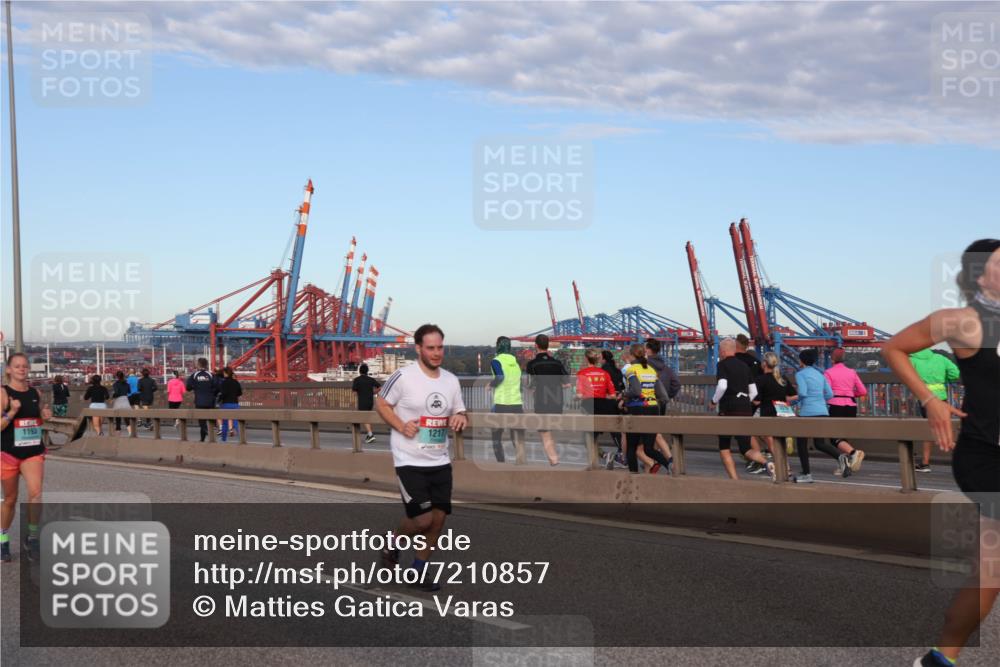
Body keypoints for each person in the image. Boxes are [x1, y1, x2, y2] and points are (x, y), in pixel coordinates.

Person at [880, 240, 1000, 667]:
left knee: (990, 571)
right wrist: (931, 401)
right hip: (987, 457)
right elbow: (893, 347)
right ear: (978, 276)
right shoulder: (960, 322)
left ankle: (939, 659)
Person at [375, 324, 468, 591]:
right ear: (418, 348)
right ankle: (392, 542)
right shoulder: (403, 376)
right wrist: (400, 425)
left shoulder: (450, 380)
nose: (436, 353)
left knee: (438, 522)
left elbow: (460, 411)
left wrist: (461, 417)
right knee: (423, 520)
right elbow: (381, 403)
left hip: (440, 460)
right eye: (430, 348)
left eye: (440, 347)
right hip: (409, 459)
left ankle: (417, 572)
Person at [1, 352, 52, 562]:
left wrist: (44, 416)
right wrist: (11, 413)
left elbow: (36, 419)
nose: (22, 369)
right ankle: (3, 538)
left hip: (32, 451)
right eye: (18, 366)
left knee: (35, 494)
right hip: (8, 453)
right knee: (11, 499)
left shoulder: (35, 393)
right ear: (9, 370)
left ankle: (32, 538)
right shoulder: (3, 394)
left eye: (25, 366)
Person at [711, 338, 774, 481]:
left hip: (728, 409)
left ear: (723, 350)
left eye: (720, 350)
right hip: (745, 409)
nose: (720, 353)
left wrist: (713, 401)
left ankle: (735, 480)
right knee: (745, 448)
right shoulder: (744, 366)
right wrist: (745, 401)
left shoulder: (722, 365)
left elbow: (722, 386)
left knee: (724, 447)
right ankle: (767, 462)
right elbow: (753, 391)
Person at [793, 349, 850, 482]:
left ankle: (806, 474)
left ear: (801, 361)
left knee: (801, 443)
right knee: (819, 443)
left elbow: (803, 393)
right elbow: (830, 394)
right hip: (822, 411)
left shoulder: (800, 374)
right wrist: (819, 400)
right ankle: (841, 457)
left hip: (807, 412)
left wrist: (793, 401)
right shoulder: (820, 374)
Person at [622, 344, 673, 475]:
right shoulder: (651, 369)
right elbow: (664, 396)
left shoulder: (631, 370)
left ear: (631, 355)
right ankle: (669, 465)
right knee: (649, 448)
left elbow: (637, 391)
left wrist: (624, 395)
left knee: (632, 447)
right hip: (653, 408)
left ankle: (633, 476)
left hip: (637, 408)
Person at [909, 348, 961, 473]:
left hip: (925, 400)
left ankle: (925, 463)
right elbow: (955, 373)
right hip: (942, 399)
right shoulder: (940, 358)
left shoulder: (911, 360)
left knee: (930, 431)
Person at [525, 334, 570, 466]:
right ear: (548, 345)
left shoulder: (532, 364)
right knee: (551, 429)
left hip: (541, 402)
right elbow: (567, 384)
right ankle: (553, 458)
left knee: (545, 432)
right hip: (557, 402)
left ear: (536, 346)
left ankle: (554, 459)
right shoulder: (557, 363)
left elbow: (531, 384)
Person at [823, 347, 868, 474]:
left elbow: (827, 392)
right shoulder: (852, 372)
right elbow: (863, 391)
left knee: (834, 438)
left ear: (832, 359)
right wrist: (850, 394)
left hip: (836, 405)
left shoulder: (828, 372)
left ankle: (854, 453)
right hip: (851, 405)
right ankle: (846, 467)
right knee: (844, 437)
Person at [753, 352, 798, 476]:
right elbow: (794, 395)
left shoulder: (760, 379)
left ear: (764, 364)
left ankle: (785, 467)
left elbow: (757, 401)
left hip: (768, 413)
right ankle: (785, 464)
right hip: (783, 412)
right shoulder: (782, 378)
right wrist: (782, 399)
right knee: (778, 440)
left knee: (768, 441)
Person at [576, 348, 618, 461]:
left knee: (588, 438)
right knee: (601, 434)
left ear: (586, 359)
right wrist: (602, 395)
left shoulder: (582, 373)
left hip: (588, 406)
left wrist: (577, 397)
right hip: (603, 406)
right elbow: (613, 395)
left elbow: (579, 395)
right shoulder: (605, 373)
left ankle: (600, 458)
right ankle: (611, 457)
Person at [645, 338, 680, 470]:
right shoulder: (666, 367)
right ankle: (657, 460)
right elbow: (676, 384)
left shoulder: (645, 366)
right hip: (662, 403)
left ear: (648, 350)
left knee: (651, 433)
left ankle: (665, 460)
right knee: (655, 431)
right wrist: (666, 396)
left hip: (648, 403)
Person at [488, 336, 524, 463]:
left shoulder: (496, 361)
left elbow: (500, 377)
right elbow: (520, 385)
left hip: (502, 403)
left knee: (496, 436)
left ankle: (501, 464)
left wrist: (490, 384)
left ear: (498, 346)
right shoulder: (516, 363)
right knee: (517, 436)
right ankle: (521, 462)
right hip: (517, 404)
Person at [186, 358, 218, 442]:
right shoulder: (211, 375)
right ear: (206, 365)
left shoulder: (195, 375)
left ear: (198, 365)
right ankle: (210, 436)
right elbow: (217, 386)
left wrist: (196, 387)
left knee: (202, 422)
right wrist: (212, 393)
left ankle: (203, 437)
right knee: (211, 420)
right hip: (210, 401)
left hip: (199, 401)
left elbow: (188, 387)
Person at [352, 363, 381, 444]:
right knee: (367, 418)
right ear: (367, 371)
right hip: (370, 401)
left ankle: (371, 435)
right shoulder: (371, 379)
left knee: (364, 418)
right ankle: (369, 435)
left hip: (362, 401)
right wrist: (373, 392)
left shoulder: (357, 380)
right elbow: (380, 387)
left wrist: (360, 393)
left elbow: (354, 392)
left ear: (359, 371)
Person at [218, 367, 242, 442]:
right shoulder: (236, 382)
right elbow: (240, 393)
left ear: (225, 373)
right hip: (235, 403)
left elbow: (223, 393)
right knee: (236, 422)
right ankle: (241, 439)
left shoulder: (224, 382)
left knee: (225, 422)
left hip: (226, 404)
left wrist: (219, 399)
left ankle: (224, 439)